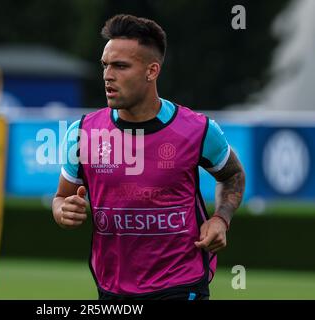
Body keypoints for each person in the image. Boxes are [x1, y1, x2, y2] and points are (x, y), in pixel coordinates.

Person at [52, 14, 245, 300]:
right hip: (111, 291)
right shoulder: (82, 132)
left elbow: (233, 175)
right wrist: (61, 211)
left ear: (152, 71)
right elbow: (60, 197)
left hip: (182, 285)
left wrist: (221, 218)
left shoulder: (198, 130)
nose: (107, 75)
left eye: (120, 66)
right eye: (105, 65)